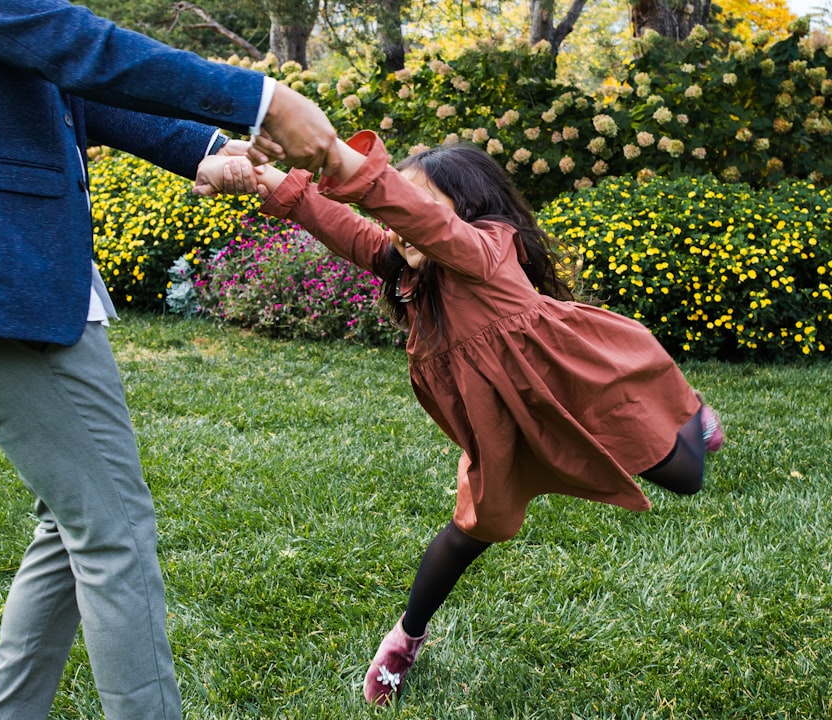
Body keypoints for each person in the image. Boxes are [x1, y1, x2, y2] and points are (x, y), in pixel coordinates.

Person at [0, 1, 336, 718]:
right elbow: (73, 45)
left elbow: (65, 82)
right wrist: (262, 98)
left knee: (77, 522)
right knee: (115, 531)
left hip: (13, 284)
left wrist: (203, 147)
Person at [200, 131, 725, 705]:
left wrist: (341, 161)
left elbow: (422, 221)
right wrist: (270, 180)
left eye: (419, 206)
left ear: (467, 209)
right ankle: (405, 637)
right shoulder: (413, 271)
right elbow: (350, 229)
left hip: (579, 385)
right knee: (476, 526)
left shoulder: (485, 250)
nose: (403, 229)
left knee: (688, 477)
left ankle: (693, 414)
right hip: (497, 420)